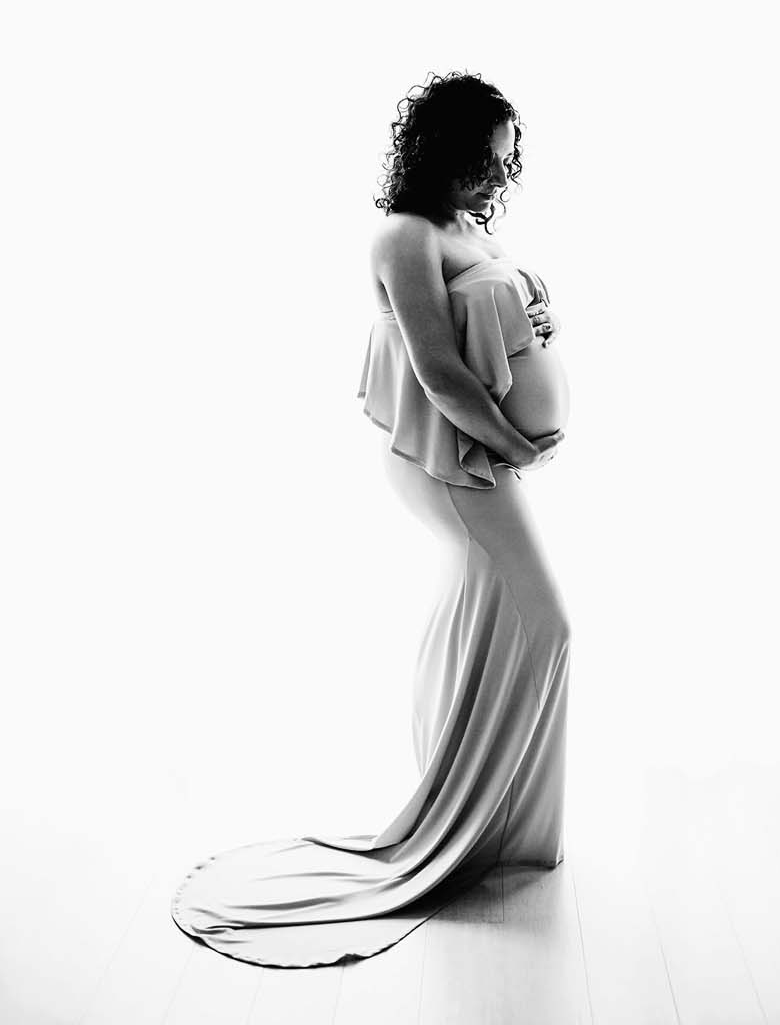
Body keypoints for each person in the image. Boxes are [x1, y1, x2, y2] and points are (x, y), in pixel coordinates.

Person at [171, 72, 572, 967]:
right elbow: (436, 369)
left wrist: (543, 321)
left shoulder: (474, 227)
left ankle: (500, 821)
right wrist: (515, 442)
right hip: (449, 458)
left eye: (504, 165)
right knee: (545, 622)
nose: (492, 181)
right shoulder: (402, 235)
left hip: (481, 452)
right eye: (479, 162)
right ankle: (454, 817)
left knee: (489, 613)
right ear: (438, 150)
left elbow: (499, 329)